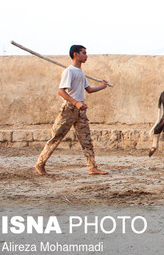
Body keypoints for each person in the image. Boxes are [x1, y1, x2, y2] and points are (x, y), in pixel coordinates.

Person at [35, 45, 110, 176]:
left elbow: (89, 90)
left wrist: (102, 87)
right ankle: (40, 164)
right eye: (84, 53)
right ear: (76, 54)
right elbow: (61, 91)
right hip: (69, 109)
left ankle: (92, 167)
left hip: (80, 111)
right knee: (56, 137)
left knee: (86, 139)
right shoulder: (69, 71)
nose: (86, 55)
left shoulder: (80, 72)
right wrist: (76, 103)